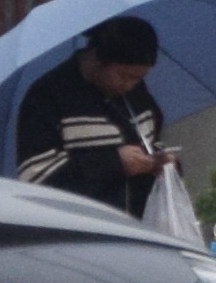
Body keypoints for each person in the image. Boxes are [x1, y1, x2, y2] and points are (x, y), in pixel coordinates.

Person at [15, 17, 175, 217]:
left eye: (139, 78)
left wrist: (161, 163)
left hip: (137, 230)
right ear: (98, 60)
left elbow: (152, 139)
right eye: (124, 76)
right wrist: (114, 164)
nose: (130, 85)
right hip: (80, 232)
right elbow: (37, 178)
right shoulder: (48, 96)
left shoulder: (136, 96)